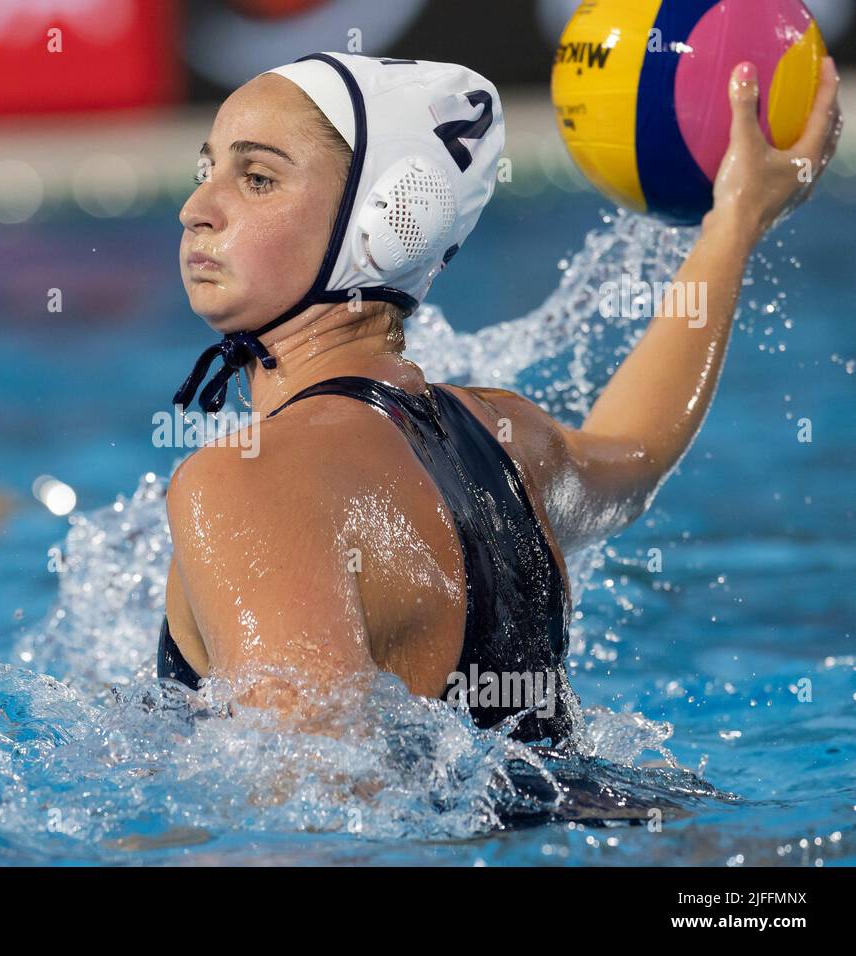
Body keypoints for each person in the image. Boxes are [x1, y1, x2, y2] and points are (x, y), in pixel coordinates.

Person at [157, 52, 843, 745]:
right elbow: (638, 454)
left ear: (387, 220)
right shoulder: (506, 437)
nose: (196, 209)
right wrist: (738, 218)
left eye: (258, 178)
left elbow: (311, 818)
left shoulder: (250, 480)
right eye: (206, 170)